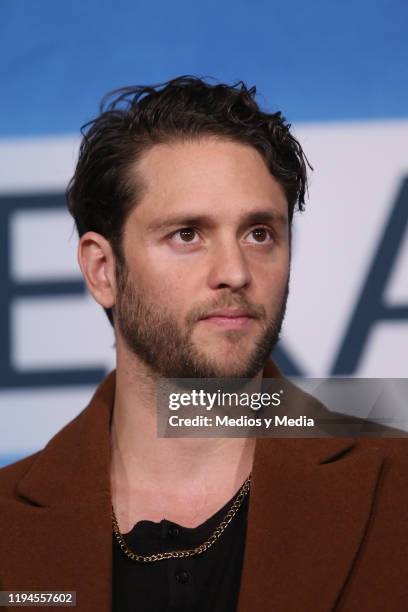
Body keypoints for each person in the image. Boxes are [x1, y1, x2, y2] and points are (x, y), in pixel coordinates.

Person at [0, 77, 407, 612]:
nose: (235, 272)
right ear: (103, 270)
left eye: (259, 233)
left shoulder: (395, 487)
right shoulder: (9, 523)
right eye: (187, 234)